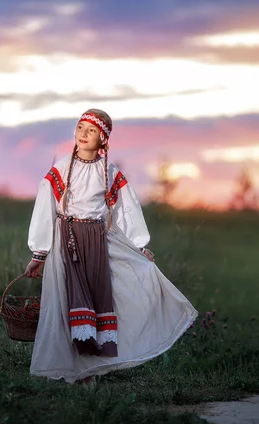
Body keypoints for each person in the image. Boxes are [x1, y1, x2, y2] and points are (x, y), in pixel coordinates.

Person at [24, 108, 198, 386]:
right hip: (66, 243)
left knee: (95, 302)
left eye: (91, 130)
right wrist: (39, 252)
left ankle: (89, 369)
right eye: (80, 127)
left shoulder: (110, 173)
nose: (83, 133)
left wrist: (139, 246)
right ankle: (69, 365)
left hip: (96, 242)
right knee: (68, 301)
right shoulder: (62, 168)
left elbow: (126, 210)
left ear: (103, 140)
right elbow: (45, 208)